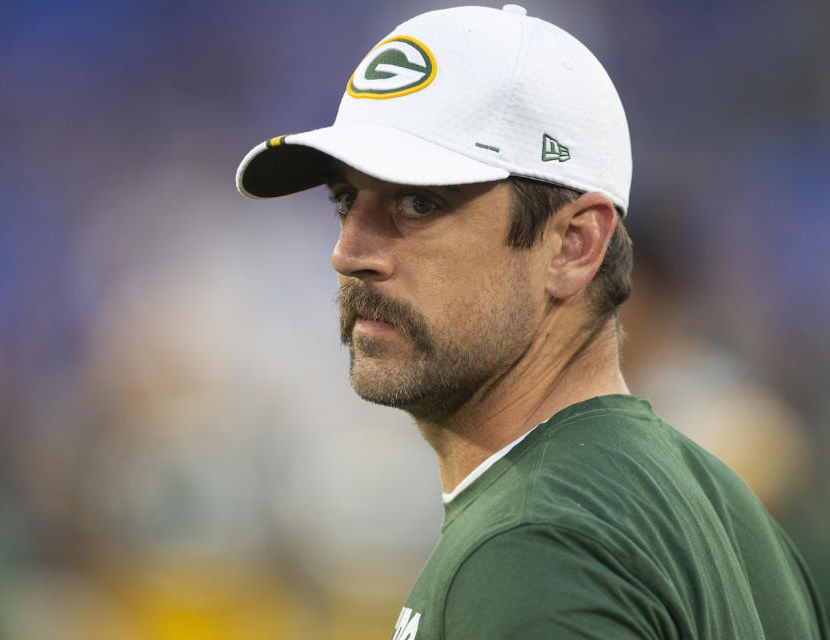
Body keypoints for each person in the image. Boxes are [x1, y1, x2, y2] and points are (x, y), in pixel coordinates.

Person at [235, 5, 828, 638]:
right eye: (348, 201)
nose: (348, 254)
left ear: (573, 245)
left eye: (417, 202)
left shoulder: (531, 548)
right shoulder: (727, 509)